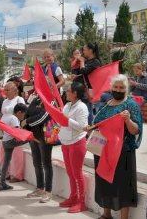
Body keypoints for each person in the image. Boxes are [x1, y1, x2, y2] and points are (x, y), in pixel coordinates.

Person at [91, 74, 143, 219]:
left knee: (124, 185)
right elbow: (98, 124)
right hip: (104, 150)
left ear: (127, 89)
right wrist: (91, 128)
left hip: (123, 151)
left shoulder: (131, 105)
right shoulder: (106, 104)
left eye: (121, 87)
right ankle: (106, 214)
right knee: (104, 181)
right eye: (116, 87)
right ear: (111, 87)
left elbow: (136, 130)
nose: (118, 90)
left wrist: (127, 121)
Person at [58, 82, 89, 213]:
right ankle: (73, 197)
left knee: (77, 173)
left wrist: (65, 118)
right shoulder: (67, 105)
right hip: (65, 142)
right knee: (70, 173)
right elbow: (62, 121)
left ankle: (81, 202)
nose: (66, 92)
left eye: (68, 90)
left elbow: (81, 126)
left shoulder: (82, 107)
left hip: (77, 142)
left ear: (75, 93)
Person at [22, 94, 53, 203]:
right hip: (33, 135)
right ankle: (40, 188)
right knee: (36, 162)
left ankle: (48, 191)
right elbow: (27, 111)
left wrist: (27, 122)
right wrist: (26, 124)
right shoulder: (36, 98)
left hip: (44, 135)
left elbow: (45, 116)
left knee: (46, 164)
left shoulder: (51, 99)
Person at [0, 81, 26, 183]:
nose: (5, 92)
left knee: (16, 153)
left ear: (14, 90)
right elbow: (2, 113)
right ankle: (5, 174)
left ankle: (18, 175)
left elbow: (23, 112)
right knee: (2, 153)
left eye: (7, 90)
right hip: (4, 130)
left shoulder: (19, 99)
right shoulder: (5, 101)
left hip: (15, 128)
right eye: (4, 89)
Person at [0, 103, 28, 191]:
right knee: (31, 138)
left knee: (5, 163)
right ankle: (2, 183)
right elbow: (17, 133)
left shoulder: (4, 117)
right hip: (11, 142)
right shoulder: (14, 118)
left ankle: (2, 183)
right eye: (23, 114)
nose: (23, 116)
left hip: (5, 141)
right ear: (19, 112)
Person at [72, 42, 102, 124]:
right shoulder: (88, 61)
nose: (82, 52)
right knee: (83, 111)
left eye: (84, 50)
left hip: (89, 90)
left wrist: (81, 61)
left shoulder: (95, 62)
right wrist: (76, 76)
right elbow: (83, 74)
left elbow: (84, 71)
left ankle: (90, 129)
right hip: (83, 89)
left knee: (87, 111)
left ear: (91, 50)